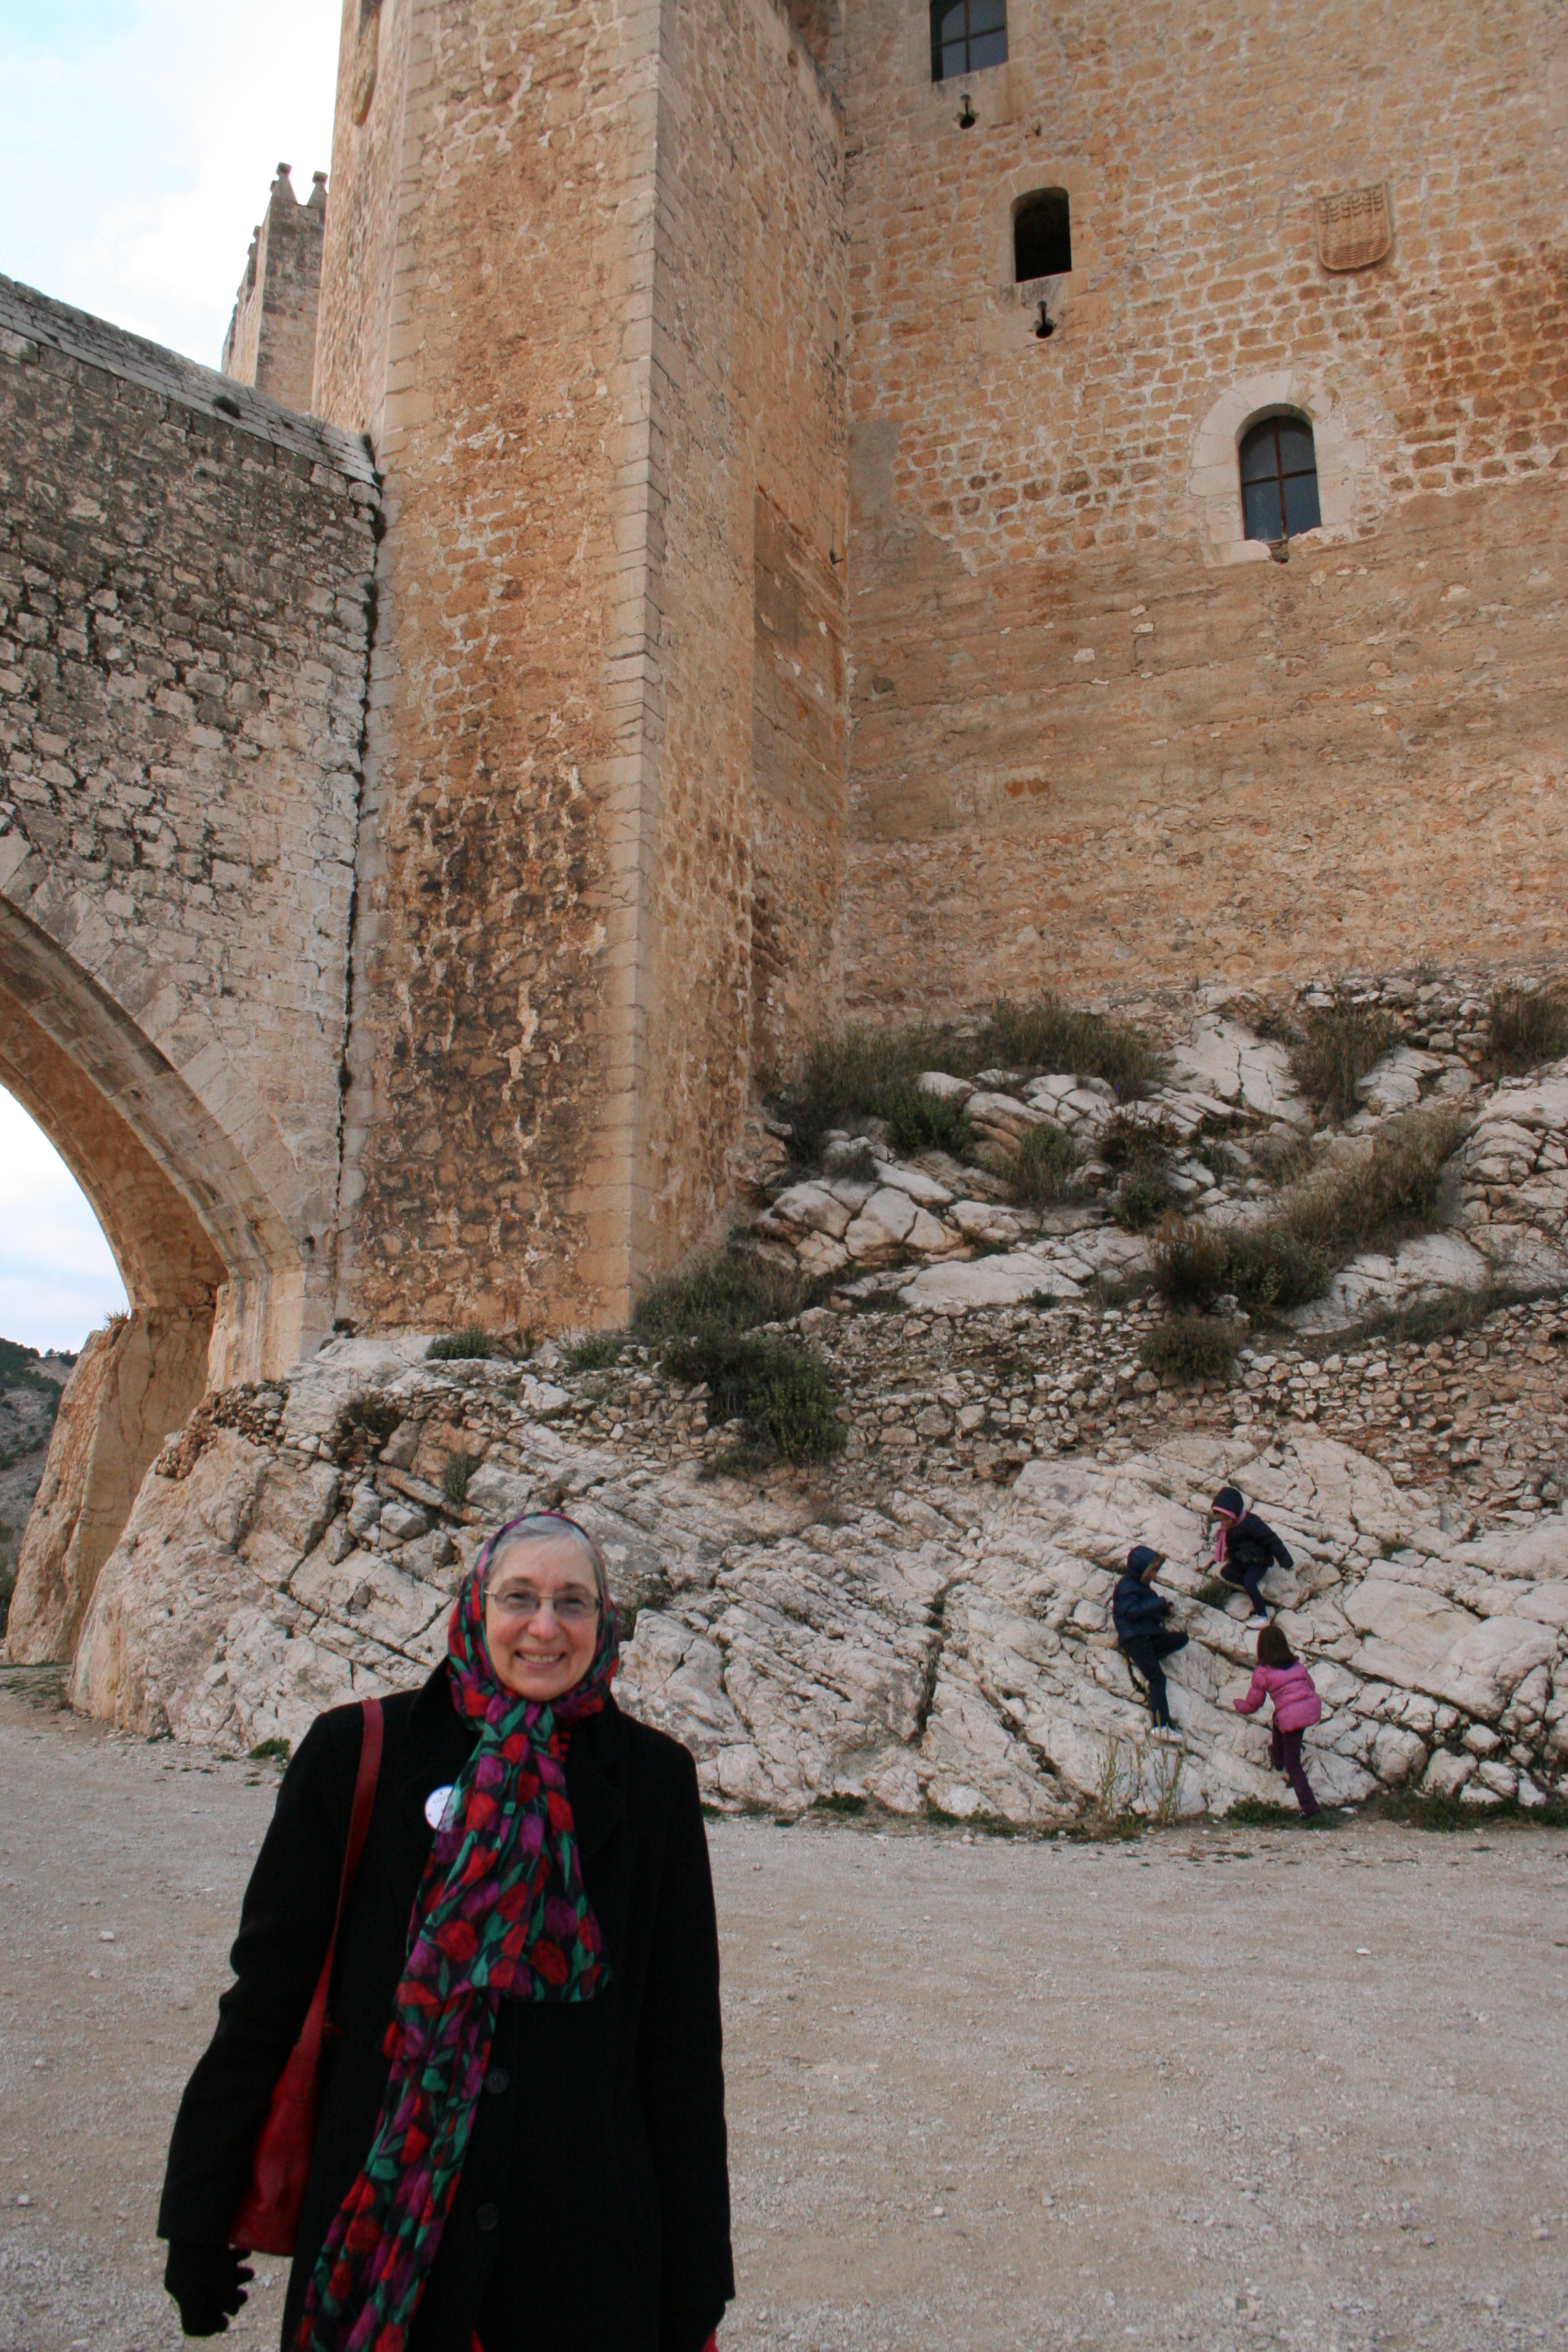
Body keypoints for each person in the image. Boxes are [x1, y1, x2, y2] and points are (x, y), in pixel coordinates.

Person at [159, 1510, 733, 2351]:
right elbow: (268, 1993)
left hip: (583, 2252)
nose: (545, 1626)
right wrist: (202, 2214)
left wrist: (695, 2287)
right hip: (388, 2228)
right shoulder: (359, 1751)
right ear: (474, 1607)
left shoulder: (651, 1782)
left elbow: (681, 2050)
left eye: (573, 1603)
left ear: (605, 1624)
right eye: (521, 1598)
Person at [1235, 1622, 1323, 1816]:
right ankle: (1277, 1755)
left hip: (1292, 1718)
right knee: (1278, 1719)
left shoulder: (1263, 1671)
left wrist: (1239, 1705)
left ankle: (1310, 1809)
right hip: (1309, 1708)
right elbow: (1311, 1685)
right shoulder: (1296, 1664)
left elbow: (1254, 1703)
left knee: (1294, 1765)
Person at [1111, 1544, 1188, 1730]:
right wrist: (1159, 1603)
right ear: (1140, 1569)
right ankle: (1161, 1726)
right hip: (1134, 1639)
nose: (1154, 1574)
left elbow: (1149, 1610)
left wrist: (1164, 1609)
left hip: (1147, 1636)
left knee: (1182, 1638)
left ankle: (1148, 1658)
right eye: (1151, 1570)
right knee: (1157, 1678)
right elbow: (1131, 1612)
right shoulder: (1124, 1588)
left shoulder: (1142, 1588)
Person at [1210, 1485, 1292, 1628]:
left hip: (1259, 1561)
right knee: (1226, 1572)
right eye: (1221, 1520)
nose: (1224, 1523)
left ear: (1235, 1514)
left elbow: (1270, 1539)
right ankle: (1255, 1586)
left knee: (1249, 1582)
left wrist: (1285, 1560)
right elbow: (1235, 1547)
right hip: (1244, 1560)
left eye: (1227, 1519)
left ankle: (1263, 1616)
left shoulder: (1251, 1523)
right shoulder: (1229, 1528)